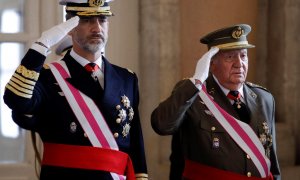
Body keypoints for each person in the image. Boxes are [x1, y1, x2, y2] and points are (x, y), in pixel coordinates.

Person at [3, 0, 148, 179]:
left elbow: (135, 143)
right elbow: (16, 100)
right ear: (69, 28)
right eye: (87, 20)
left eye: (102, 19)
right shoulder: (48, 77)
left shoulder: (126, 78)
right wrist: (41, 45)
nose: (97, 28)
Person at [151, 24, 281, 179]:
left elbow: (271, 165)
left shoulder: (264, 98)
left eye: (243, 55)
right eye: (230, 57)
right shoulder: (193, 95)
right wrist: (196, 81)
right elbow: (162, 125)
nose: (239, 64)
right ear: (211, 63)